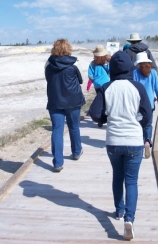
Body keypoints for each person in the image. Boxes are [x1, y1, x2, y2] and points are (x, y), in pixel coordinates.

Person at [88, 51, 151, 240]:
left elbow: (94, 113)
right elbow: (147, 114)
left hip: (114, 141)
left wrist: (105, 118)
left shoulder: (106, 87)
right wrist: (137, 125)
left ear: (113, 69)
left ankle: (119, 211)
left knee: (117, 176)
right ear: (129, 67)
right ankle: (129, 220)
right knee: (131, 180)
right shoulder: (138, 87)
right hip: (133, 141)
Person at [45, 39, 85, 172]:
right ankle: (76, 152)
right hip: (73, 99)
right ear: (68, 48)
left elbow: (48, 78)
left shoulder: (49, 63)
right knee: (74, 126)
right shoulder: (75, 63)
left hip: (55, 100)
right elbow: (81, 80)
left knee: (57, 129)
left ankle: (57, 162)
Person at [133, 52, 158, 159]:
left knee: (138, 125)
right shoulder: (153, 73)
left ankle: (139, 144)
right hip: (150, 104)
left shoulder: (135, 73)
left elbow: (133, 90)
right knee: (148, 124)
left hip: (138, 104)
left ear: (138, 63)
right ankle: (147, 142)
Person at [88, 45, 110, 127]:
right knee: (106, 101)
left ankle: (100, 119)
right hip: (107, 84)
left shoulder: (92, 63)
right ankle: (106, 117)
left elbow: (90, 75)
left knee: (100, 100)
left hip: (97, 85)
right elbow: (110, 72)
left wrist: (95, 81)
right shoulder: (107, 62)